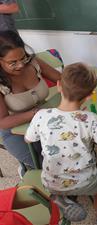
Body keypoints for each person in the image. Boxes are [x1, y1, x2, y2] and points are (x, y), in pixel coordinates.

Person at [25, 63, 97, 224]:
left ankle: (58, 197)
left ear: (59, 85)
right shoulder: (90, 119)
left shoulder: (41, 115)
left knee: (56, 185)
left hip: (51, 180)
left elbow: (28, 139)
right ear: (89, 95)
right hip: (86, 180)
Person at [0, 30, 61, 171]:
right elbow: (2, 122)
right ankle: (27, 170)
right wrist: (35, 113)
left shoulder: (33, 63)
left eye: (23, 58)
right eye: (12, 63)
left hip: (45, 119)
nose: (21, 65)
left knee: (70, 149)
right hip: (15, 132)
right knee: (47, 167)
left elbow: (61, 79)